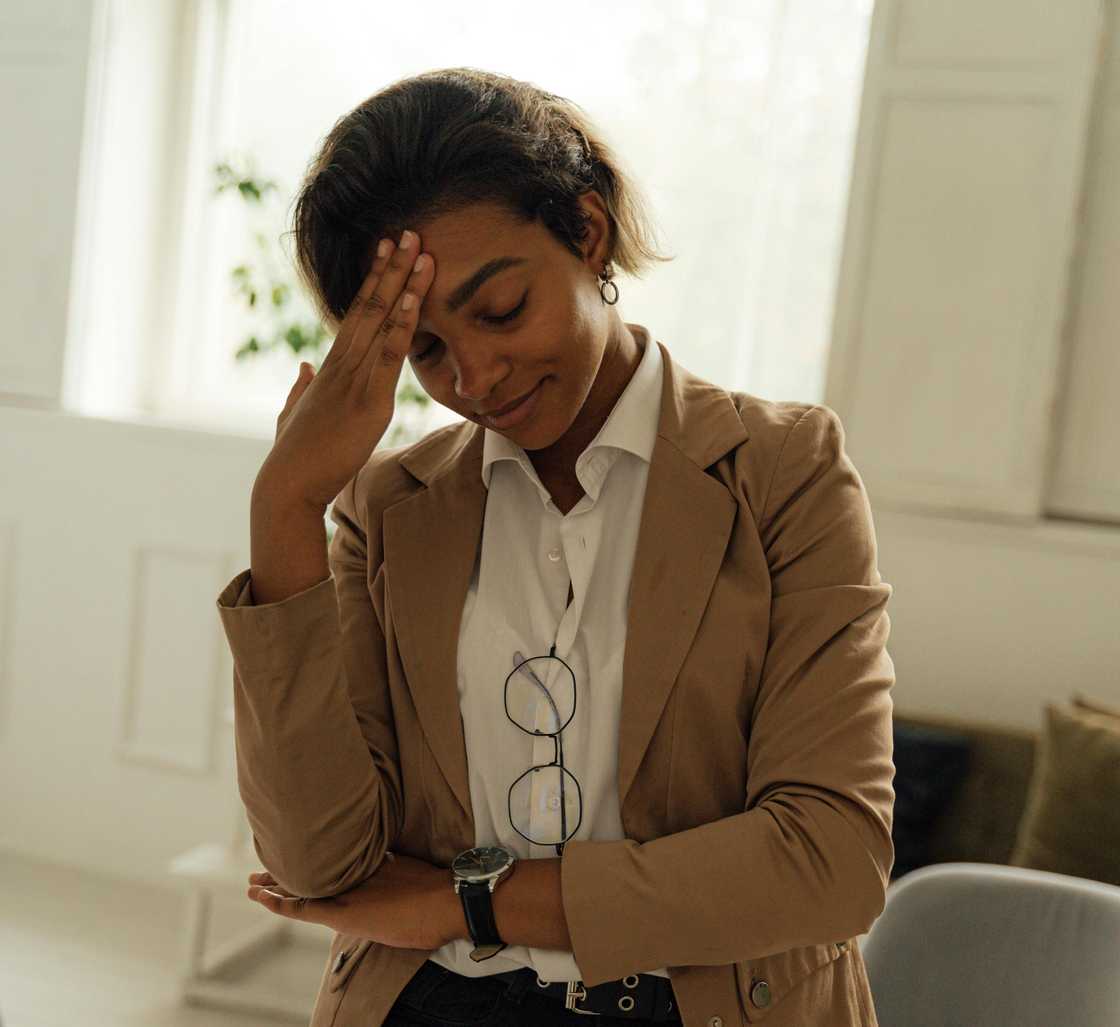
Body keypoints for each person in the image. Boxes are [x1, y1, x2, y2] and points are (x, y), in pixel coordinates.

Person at [216, 67, 895, 1027]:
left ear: (587, 231)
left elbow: (830, 858)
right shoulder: (387, 510)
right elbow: (317, 864)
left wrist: (462, 899)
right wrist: (287, 508)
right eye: (427, 354)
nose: (477, 376)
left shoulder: (784, 473)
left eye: (499, 311)